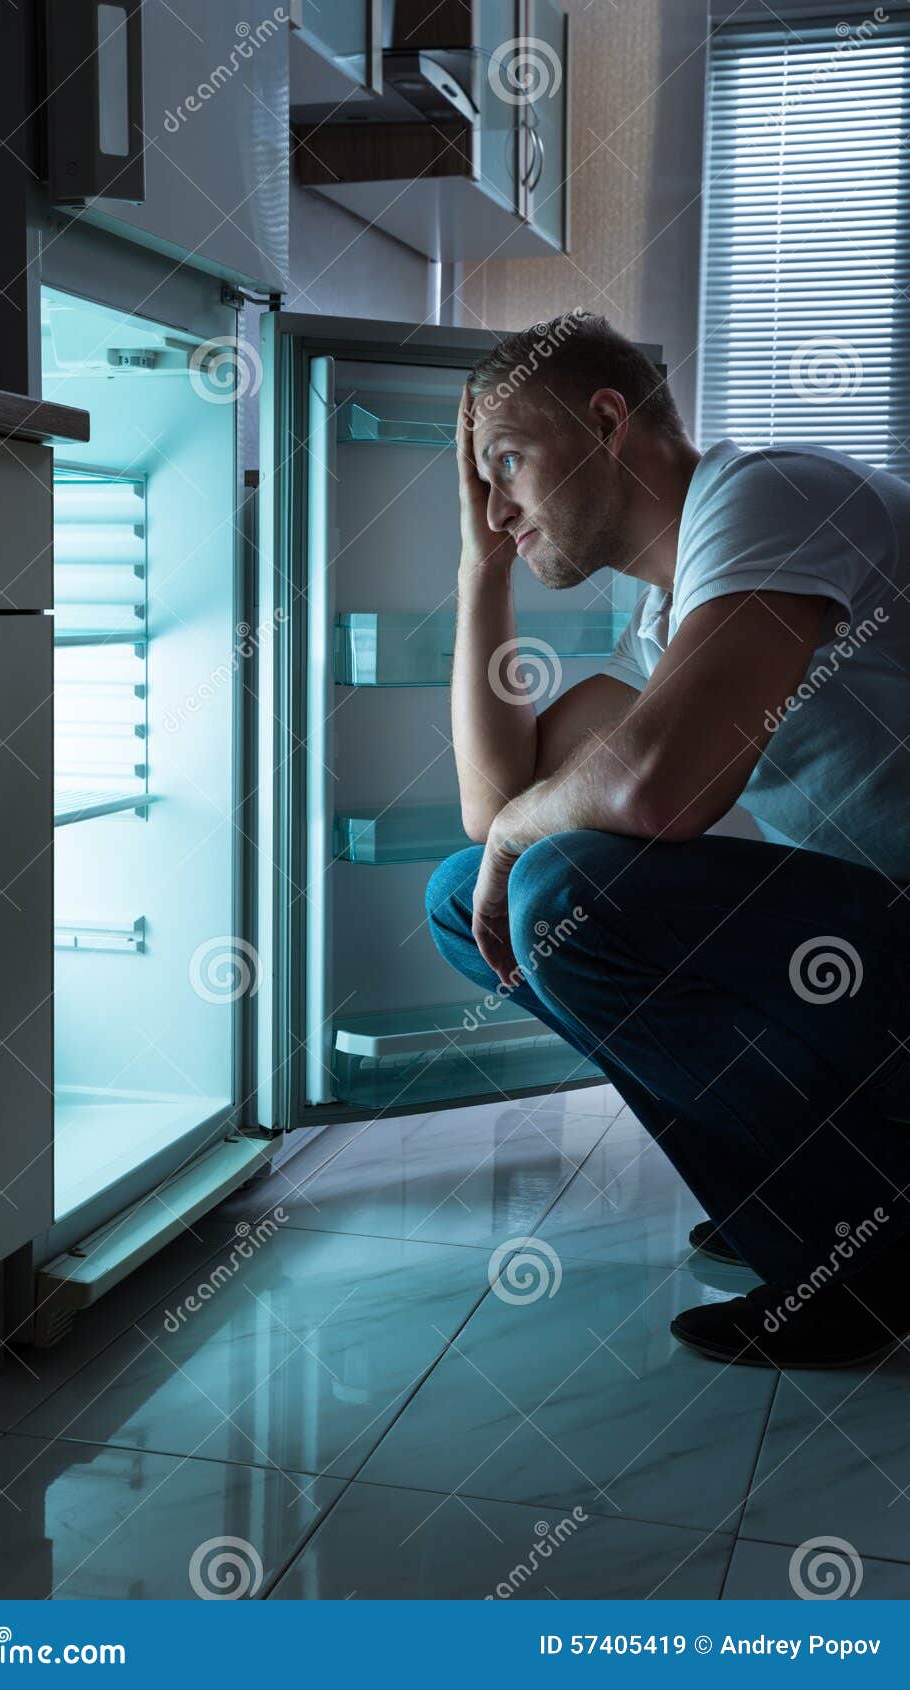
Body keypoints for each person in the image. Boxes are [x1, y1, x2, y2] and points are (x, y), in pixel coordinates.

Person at [426, 311, 910, 1368]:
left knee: (560, 892)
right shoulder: (666, 623)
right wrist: (480, 569)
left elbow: (655, 789)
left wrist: (521, 833)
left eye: (506, 462)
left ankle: (873, 1258)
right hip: (879, 957)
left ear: (607, 421)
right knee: (474, 895)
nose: (498, 504)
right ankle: (806, 1204)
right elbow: (494, 804)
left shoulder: (767, 495)